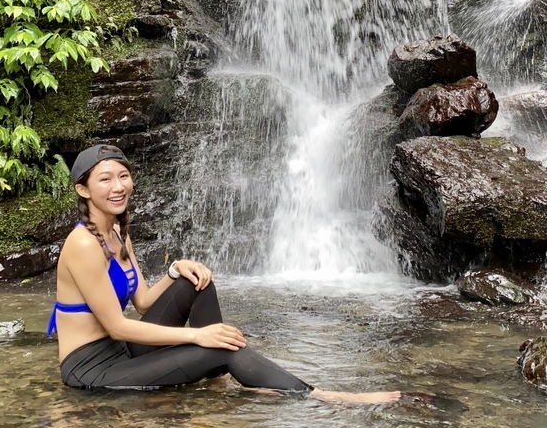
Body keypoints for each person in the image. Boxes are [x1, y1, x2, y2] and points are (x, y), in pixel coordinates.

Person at [48, 143, 400, 404]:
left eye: (123, 176)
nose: (118, 186)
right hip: (93, 370)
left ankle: (215, 377)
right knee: (221, 346)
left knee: (195, 282)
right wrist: (198, 338)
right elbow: (117, 326)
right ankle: (321, 395)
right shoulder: (82, 244)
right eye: (105, 179)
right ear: (83, 189)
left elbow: (141, 302)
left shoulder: (119, 231)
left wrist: (174, 271)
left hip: (121, 351)